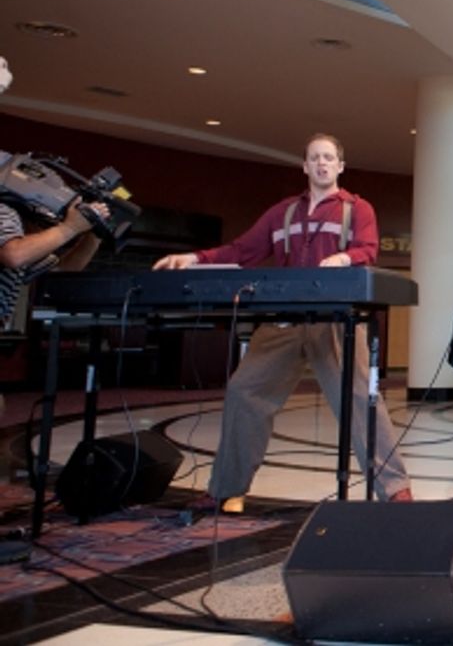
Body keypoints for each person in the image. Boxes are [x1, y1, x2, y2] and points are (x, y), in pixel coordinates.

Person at [153, 134, 411, 511]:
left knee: (358, 400)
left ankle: (395, 490)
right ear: (305, 166)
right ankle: (225, 489)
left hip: (336, 319)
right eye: (314, 158)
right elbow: (242, 251)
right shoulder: (283, 212)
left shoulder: (357, 209)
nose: (322, 164)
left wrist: (344, 259)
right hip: (284, 320)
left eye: (329, 158)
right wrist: (194, 258)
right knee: (244, 391)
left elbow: (368, 249)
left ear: (340, 166)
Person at [0, 56, 107, 332]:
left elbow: (63, 272)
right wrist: (69, 227)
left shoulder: (19, 226)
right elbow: (14, 255)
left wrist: (92, 234)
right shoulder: (5, 209)